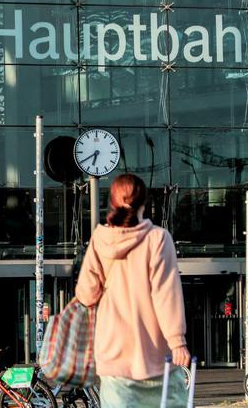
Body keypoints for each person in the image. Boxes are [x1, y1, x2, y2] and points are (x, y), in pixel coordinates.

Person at [74, 174, 190, 406]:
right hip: (155, 357)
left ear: (112, 202)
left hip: (113, 355)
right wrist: (177, 341)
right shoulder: (157, 239)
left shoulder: (100, 239)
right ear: (144, 203)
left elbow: (85, 295)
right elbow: (165, 294)